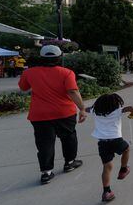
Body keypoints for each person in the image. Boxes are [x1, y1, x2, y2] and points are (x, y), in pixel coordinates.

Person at [18, 45, 86, 185]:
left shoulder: (29, 73)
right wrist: (82, 108)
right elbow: (72, 91)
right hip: (64, 112)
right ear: (59, 57)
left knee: (44, 143)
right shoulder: (67, 73)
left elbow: (23, 88)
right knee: (68, 137)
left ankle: (46, 173)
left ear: (42, 58)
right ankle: (70, 162)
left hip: (40, 115)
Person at [87, 93, 133, 202]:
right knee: (126, 149)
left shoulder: (95, 111)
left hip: (102, 143)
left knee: (107, 167)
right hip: (116, 140)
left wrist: (82, 109)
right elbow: (130, 108)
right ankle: (123, 169)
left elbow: (86, 109)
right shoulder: (117, 111)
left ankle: (106, 191)